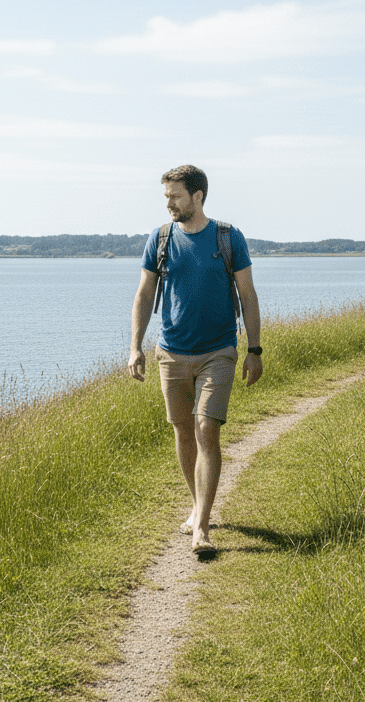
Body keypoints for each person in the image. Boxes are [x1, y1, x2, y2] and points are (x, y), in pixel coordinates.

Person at [129, 164, 262, 556]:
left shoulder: (227, 237)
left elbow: (248, 295)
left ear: (197, 196)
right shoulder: (160, 238)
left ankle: (201, 528)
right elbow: (143, 294)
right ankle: (199, 505)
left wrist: (254, 350)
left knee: (207, 428)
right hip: (170, 352)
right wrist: (135, 345)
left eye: (175, 196)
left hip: (218, 351)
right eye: (166, 196)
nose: (168, 203)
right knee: (184, 431)